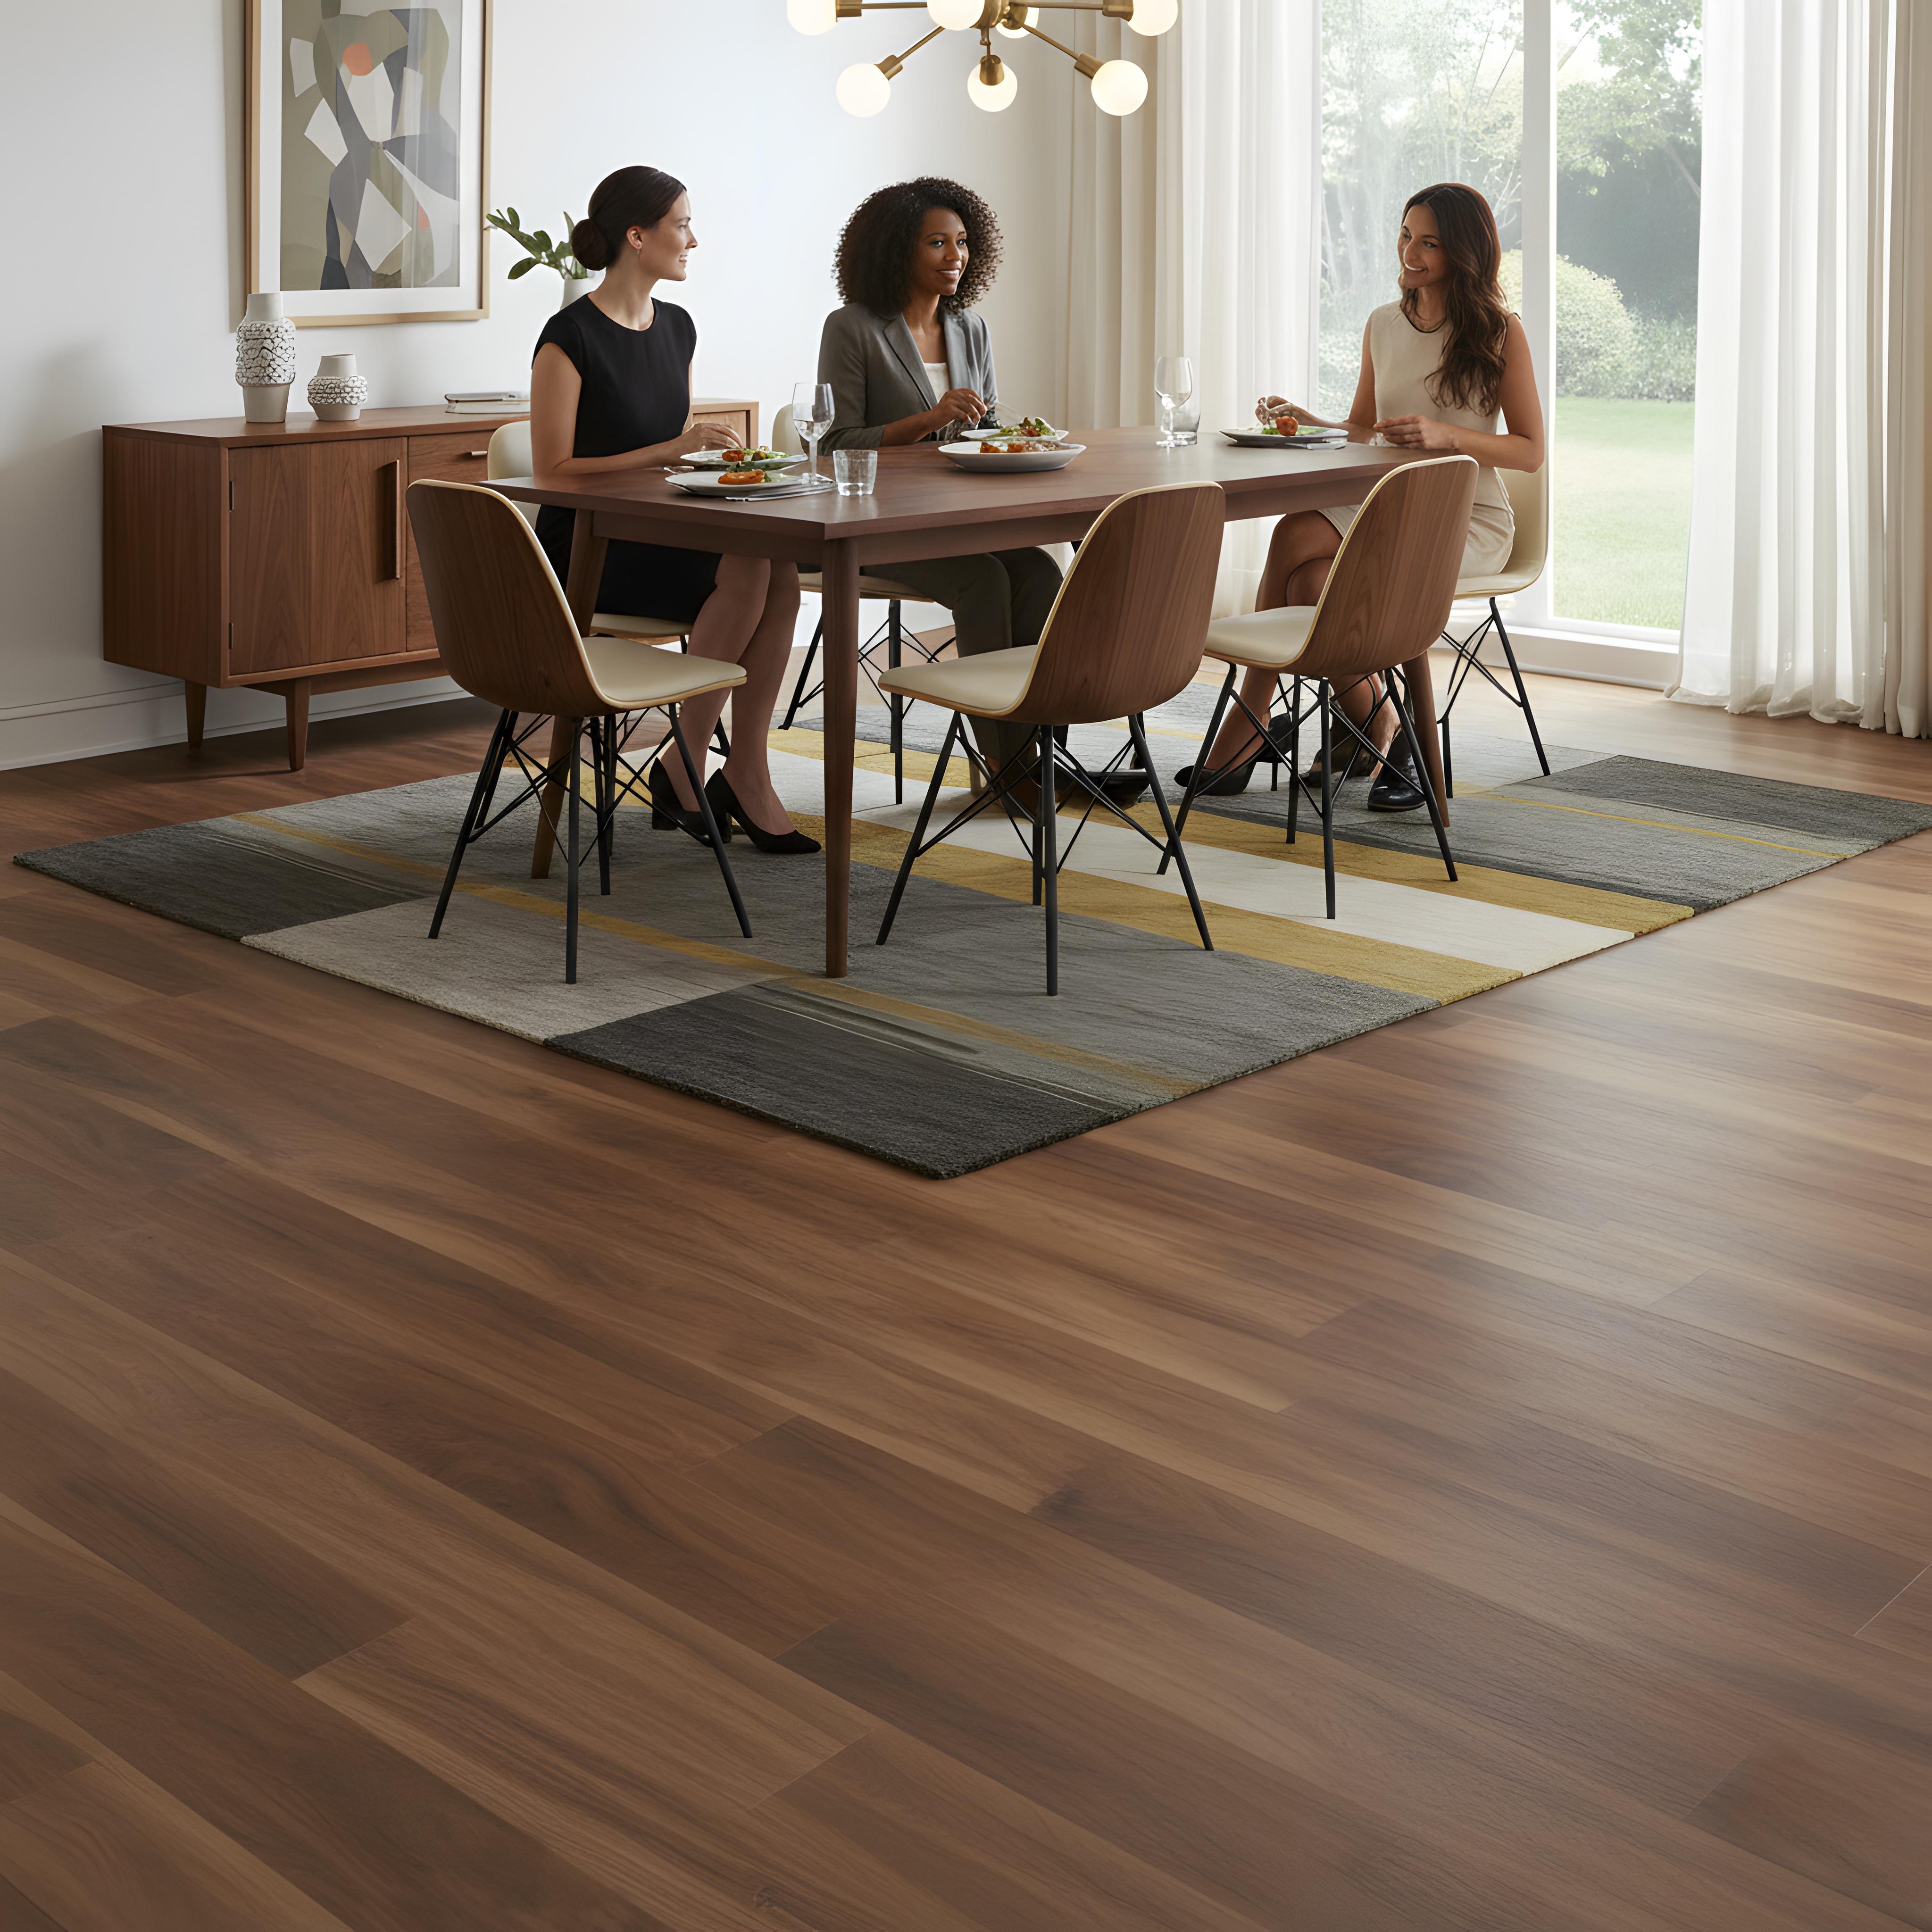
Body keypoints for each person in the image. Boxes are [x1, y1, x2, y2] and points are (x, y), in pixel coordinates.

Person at [1183, 181, 1545, 812]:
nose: (1411, 252)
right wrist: (1306, 417)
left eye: (1429, 242)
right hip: (1387, 507)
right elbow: (1362, 429)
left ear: (1464, 251)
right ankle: (1371, 722)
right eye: (1406, 235)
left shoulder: (1498, 333)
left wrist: (1444, 436)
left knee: (1305, 563)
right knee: (1300, 554)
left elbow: (1530, 450)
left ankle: (1284, 724)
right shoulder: (1382, 324)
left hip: (1466, 519)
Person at [818, 180, 1136, 811]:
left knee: (1041, 572)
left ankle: (1042, 757)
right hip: (878, 525)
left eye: (962, 242)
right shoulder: (853, 328)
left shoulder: (971, 328)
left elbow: (982, 434)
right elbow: (833, 448)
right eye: (936, 242)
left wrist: (1016, 438)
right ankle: (1003, 766)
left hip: (959, 515)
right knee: (986, 583)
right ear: (895, 251)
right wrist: (927, 419)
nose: (954, 255)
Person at [530, 165, 816, 855]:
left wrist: (715, 462)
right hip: (588, 548)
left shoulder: (677, 327)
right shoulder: (568, 337)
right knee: (751, 566)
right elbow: (552, 472)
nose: (694, 238)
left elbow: (671, 460)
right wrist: (678, 445)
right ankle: (689, 766)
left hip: (657, 530)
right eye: (682, 224)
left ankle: (742, 768)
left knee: (775, 562)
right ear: (637, 236)